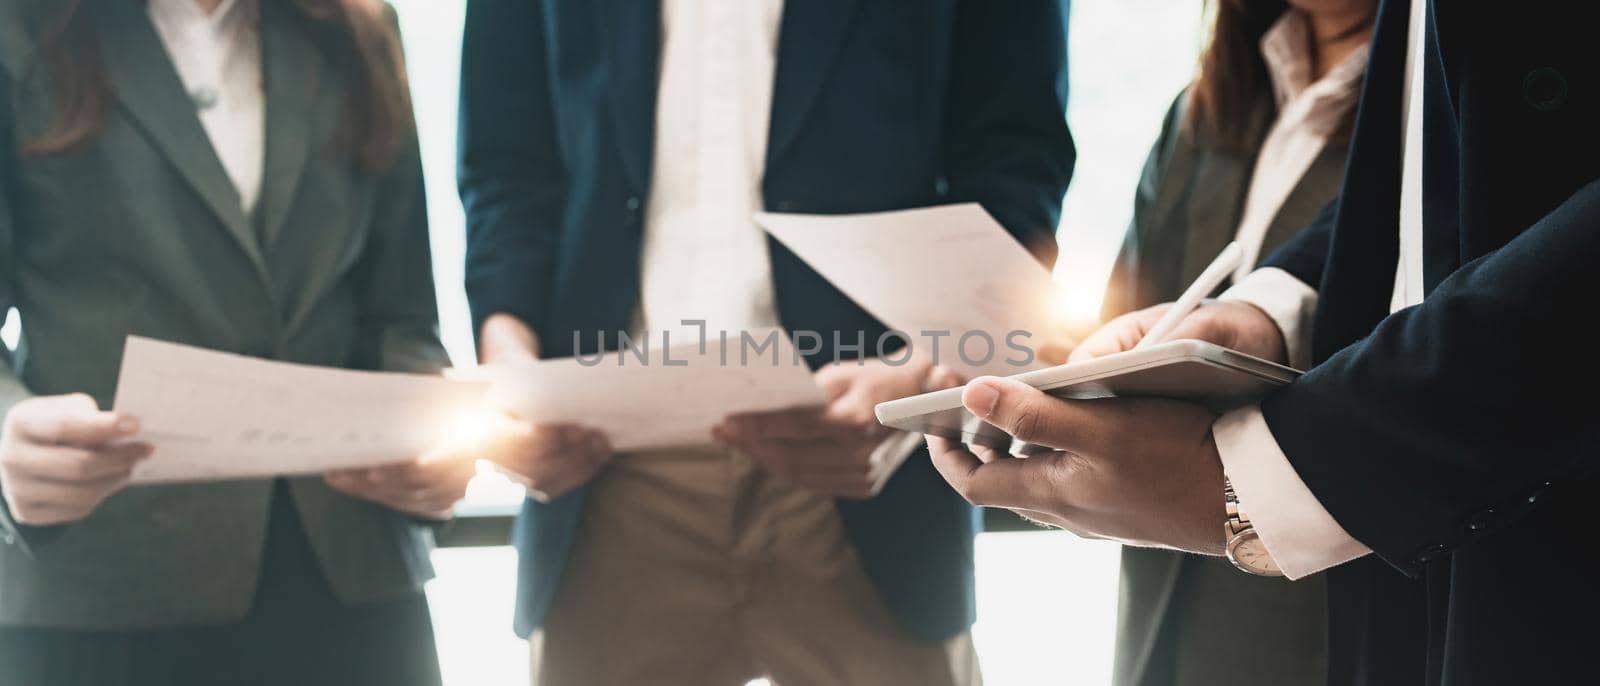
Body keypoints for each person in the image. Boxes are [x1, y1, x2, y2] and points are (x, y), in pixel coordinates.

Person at [927, 0, 1598, 683]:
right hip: (1181, 621)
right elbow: (1396, 215)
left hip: (1356, 605)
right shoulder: (1203, 115)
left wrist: (1246, 488)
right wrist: (1250, 317)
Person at [458, 1, 1075, 683]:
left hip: (874, 461)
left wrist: (927, 376)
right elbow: (506, 163)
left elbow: (1014, 155)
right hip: (606, 466)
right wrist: (507, 364)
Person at [0, 1, 474, 684]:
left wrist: (433, 439)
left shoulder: (354, 25)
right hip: (106, 590)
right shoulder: (22, 27)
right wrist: (9, 432)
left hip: (350, 588)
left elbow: (401, 321)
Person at [1102, 1, 1374, 684]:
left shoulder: (1423, 109)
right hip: (1164, 583)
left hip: (1317, 595)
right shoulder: (1205, 110)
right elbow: (1126, 314)